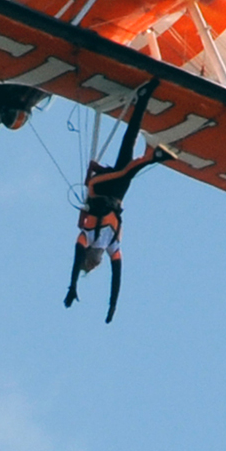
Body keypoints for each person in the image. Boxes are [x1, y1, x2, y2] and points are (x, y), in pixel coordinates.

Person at [64, 91, 166, 322]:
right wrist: (112, 305)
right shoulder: (112, 247)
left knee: (126, 168)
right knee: (127, 147)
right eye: (94, 266)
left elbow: (76, 260)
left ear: (90, 256)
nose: (96, 264)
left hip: (100, 187)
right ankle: (144, 102)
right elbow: (117, 278)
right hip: (117, 192)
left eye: (92, 264)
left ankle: (151, 157)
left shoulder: (87, 239)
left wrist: (72, 286)